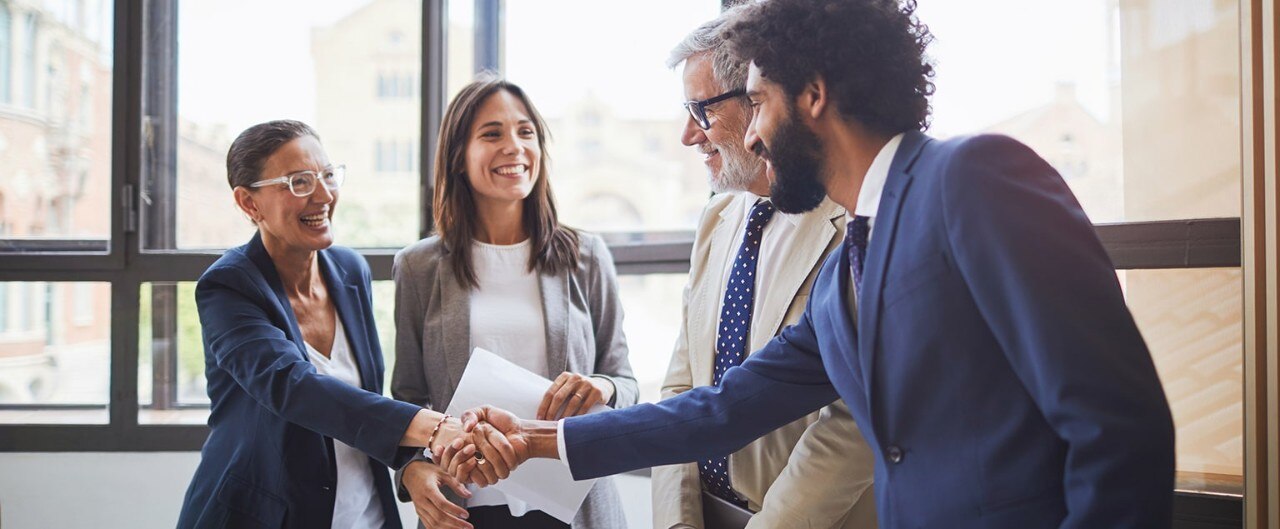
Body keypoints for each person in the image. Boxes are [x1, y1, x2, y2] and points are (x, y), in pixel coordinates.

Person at [458, 1, 1177, 528]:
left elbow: (1120, 427)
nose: (757, 132)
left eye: (761, 102)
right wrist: (534, 441)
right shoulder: (846, 274)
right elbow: (720, 409)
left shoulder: (974, 177)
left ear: (813, 95)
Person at [177, 120, 495, 529]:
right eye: (298, 182)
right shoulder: (229, 287)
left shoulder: (349, 269)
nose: (324, 195)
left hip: (364, 513)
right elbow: (294, 388)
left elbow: (362, 397)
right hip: (266, 515)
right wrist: (435, 430)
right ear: (249, 204)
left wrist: (409, 462)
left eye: (327, 175)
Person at [652, 7, 874, 529]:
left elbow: (851, 423)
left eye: (700, 110)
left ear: (758, 100)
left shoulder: (853, 223)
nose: (689, 134)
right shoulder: (719, 216)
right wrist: (678, 521)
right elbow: (682, 387)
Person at [391, 75, 637, 529]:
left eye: (526, 132)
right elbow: (407, 397)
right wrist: (409, 468)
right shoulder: (419, 267)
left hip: (574, 508)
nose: (514, 146)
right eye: (492, 134)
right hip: (465, 508)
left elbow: (624, 380)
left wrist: (602, 387)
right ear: (459, 158)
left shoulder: (585, 256)